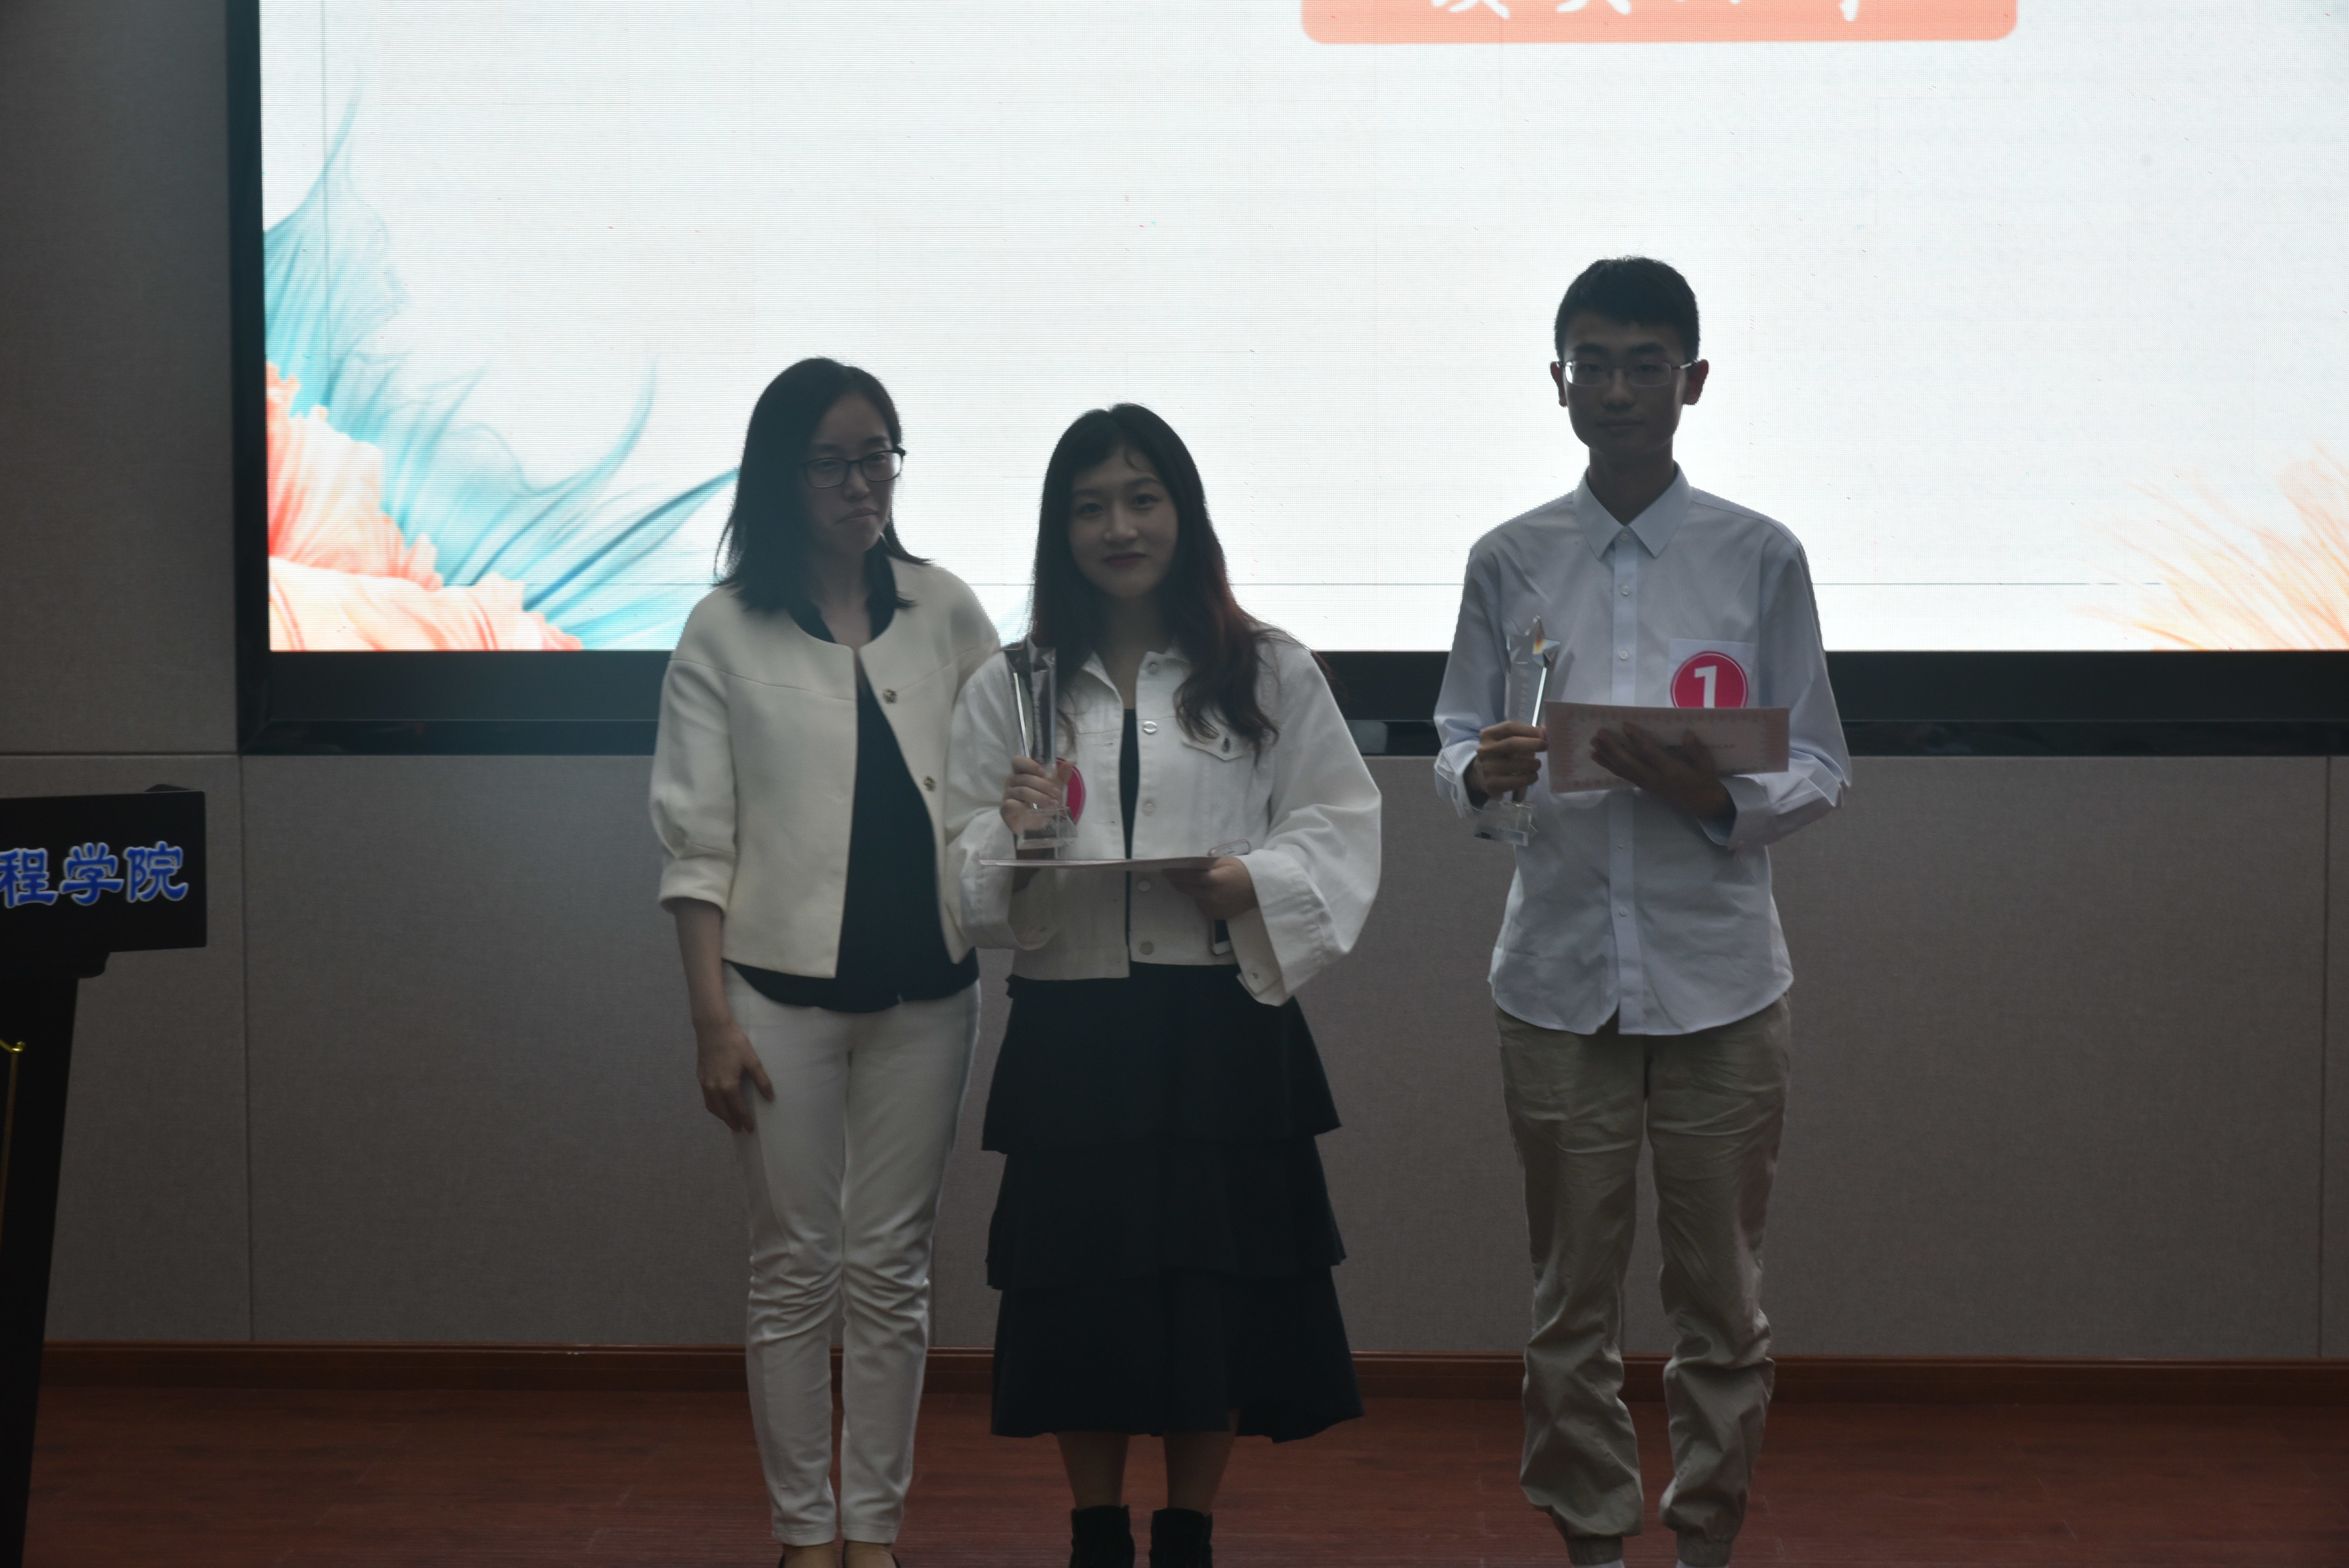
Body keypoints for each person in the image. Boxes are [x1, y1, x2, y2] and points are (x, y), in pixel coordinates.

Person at [1433, 258, 1850, 1568]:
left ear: (1693, 382)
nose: (1618, 390)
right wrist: (1481, 774)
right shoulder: (1509, 558)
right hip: (1557, 983)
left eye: (1645, 366)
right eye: (1594, 366)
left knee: (1721, 1301)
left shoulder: (1759, 555)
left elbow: (1821, 762)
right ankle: (1595, 1544)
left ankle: (1707, 1535)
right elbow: (1453, 739)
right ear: (1559, 383)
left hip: (1721, 984)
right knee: (1572, 1301)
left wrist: (1712, 797)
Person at [944, 404, 1382, 1568]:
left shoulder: (1266, 668)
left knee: (1211, 1293)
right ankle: (1096, 1530)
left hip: (1218, 1024)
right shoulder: (1013, 684)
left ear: (1185, 514)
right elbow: (963, 870)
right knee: (1078, 1292)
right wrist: (1014, 837)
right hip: (1077, 1028)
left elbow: (1338, 825)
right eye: (1090, 507)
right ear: (1060, 530)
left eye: (1143, 499)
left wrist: (1254, 881)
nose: (1120, 527)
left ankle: (1189, 1529)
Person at [651, 358, 1002, 1568]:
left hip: (931, 994)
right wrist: (710, 1020)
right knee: (795, 1269)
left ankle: (874, 1533)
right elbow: (697, 847)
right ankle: (806, 1535)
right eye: (833, 464)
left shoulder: (948, 610)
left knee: (892, 1269)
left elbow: (998, 789)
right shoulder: (722, 629)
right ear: (780, 475)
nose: (862, 486)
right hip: (774, 996)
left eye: (879, 459)